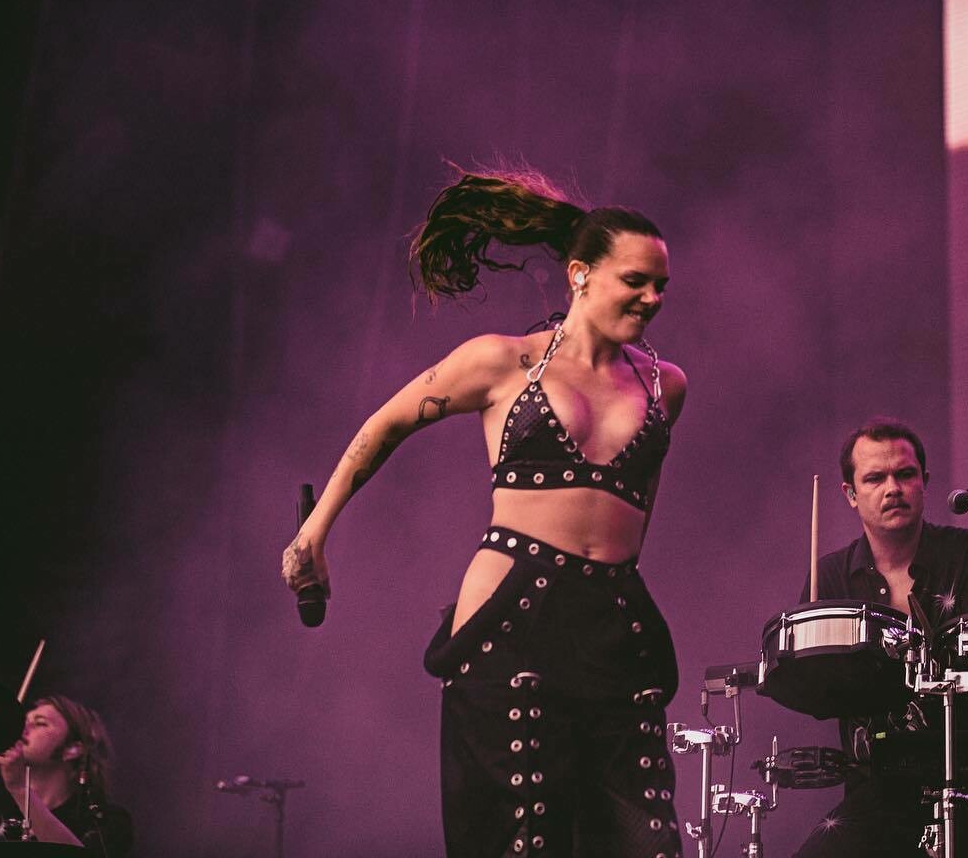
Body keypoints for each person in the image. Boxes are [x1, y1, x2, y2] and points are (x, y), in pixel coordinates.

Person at [282, 168, 689, 858]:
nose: (652, 299)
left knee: (644, 842)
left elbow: (637, 512)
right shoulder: (505, 361)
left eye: (661, 286)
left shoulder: (664, 386)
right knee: (520, 840)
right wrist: (313, 534)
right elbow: (383, 426)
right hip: (512, 617)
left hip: (612, 625)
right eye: (635, 281)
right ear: (581, 274)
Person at [794, 419, 968, 858]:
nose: (892, 488)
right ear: (850, 494)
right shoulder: (830, 578)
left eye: (905, 474)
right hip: (878, 792)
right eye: (875, 478)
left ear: (925, 482)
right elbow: (816, 689)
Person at [0, 695, 134, 855]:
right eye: (24, 721)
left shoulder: (103, 821)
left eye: (40, 723)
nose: (22, 728)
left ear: (72, 749)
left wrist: (20, 789)